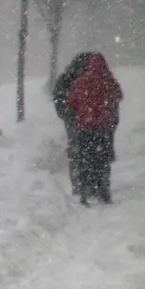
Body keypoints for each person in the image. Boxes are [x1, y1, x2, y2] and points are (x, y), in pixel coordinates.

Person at [64, 53, 123, 205]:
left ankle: (84, 192)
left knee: (85, 159)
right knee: (102, 160)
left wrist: (83, 110)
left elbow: (71, 102)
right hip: (102, 128)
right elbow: (119, 95)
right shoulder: (109, 81)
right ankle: (103, 191)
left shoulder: (82, 82)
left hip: (84, 128)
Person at [52, 52, 95, 194]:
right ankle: (88, 184)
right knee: (88, 150)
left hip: (75, 120)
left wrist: (68, 115)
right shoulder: (90, 79)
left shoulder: (66, 79)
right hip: (86, 121)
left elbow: (59, 100)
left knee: (77, 150)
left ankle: (79, 184)